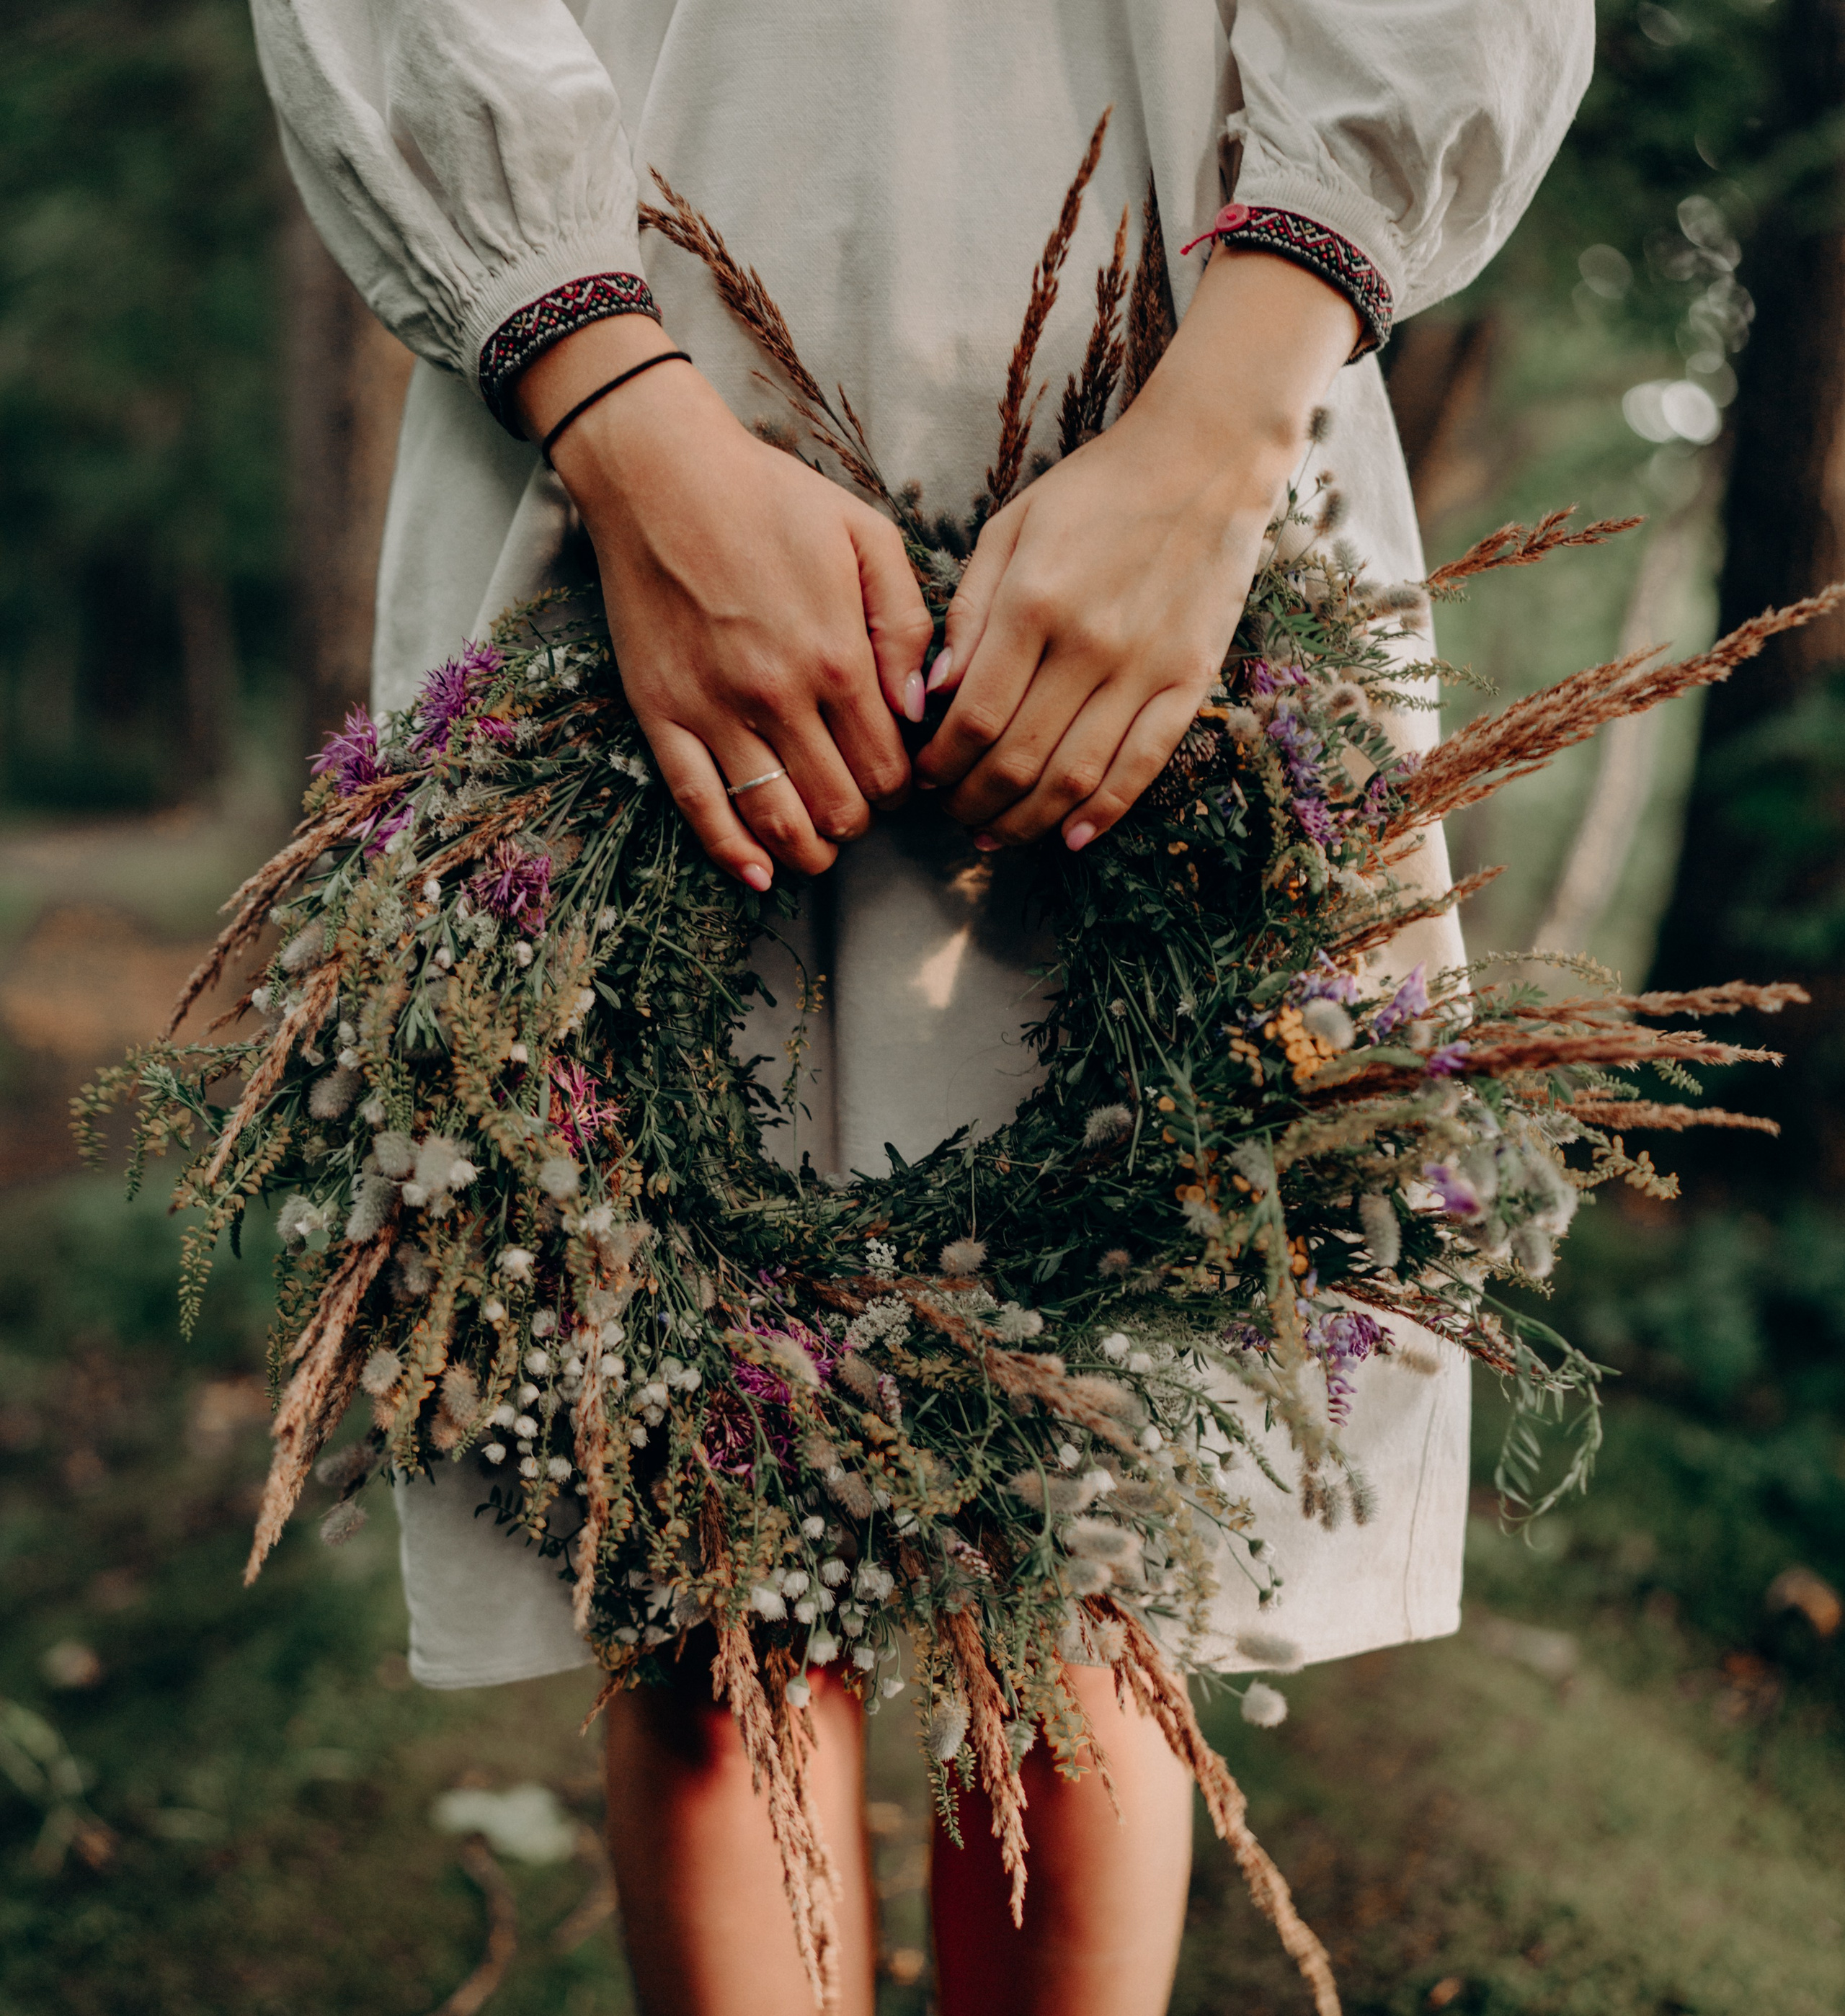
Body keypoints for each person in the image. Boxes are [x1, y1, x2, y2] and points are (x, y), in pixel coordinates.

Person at [248, 5, 1595, 2010]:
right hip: (621, 460)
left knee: (1089, 1556)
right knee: (700, 1573)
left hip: (1173, 493)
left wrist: (1227, 421)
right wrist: (623, 407)